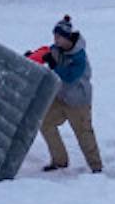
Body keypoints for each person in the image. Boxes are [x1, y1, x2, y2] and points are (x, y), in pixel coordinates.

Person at [38, 15, 101, 173]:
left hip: (79, 101)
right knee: (45, 122)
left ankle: (96, 166)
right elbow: (45, 52)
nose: (56, 40)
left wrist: (55, 65)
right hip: (60, 98)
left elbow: (70, 77)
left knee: (84, 134)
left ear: (67, 38)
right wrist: (32, 58)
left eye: (59, 37)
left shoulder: (79, 56)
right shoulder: (57, 49)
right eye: (55, 36)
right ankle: (59, 161)